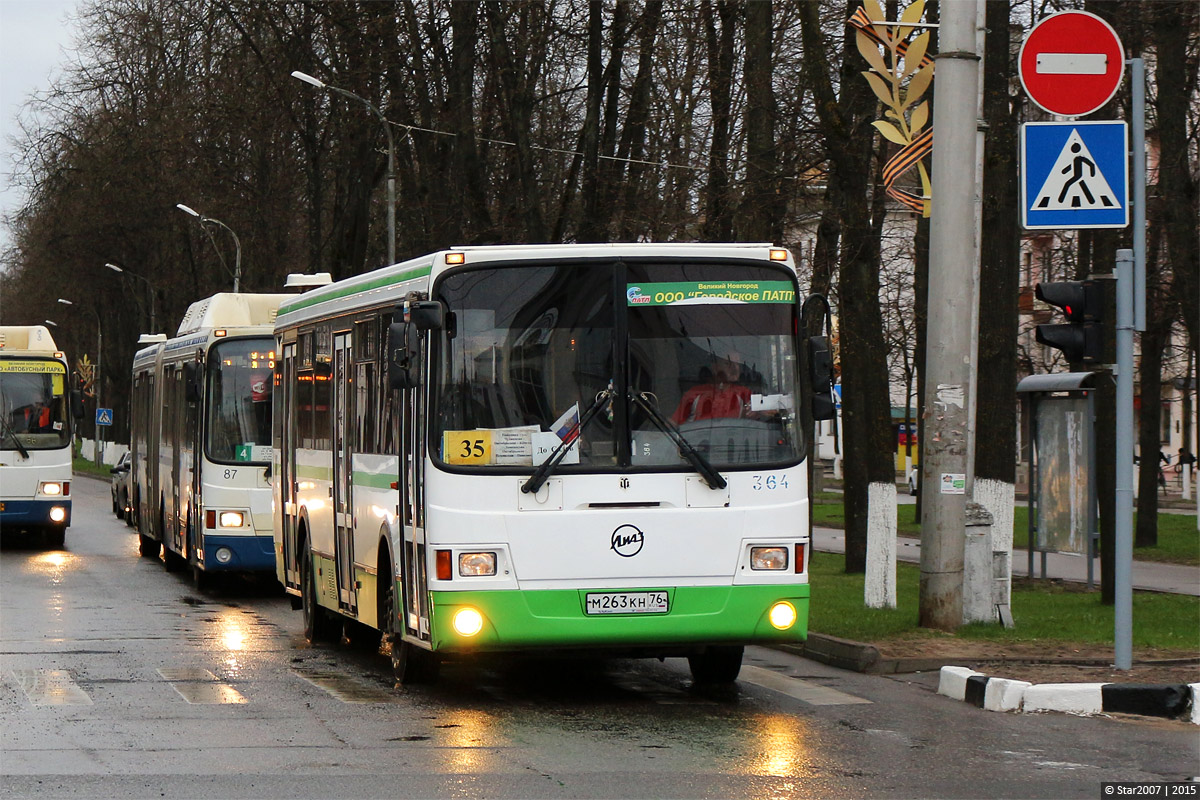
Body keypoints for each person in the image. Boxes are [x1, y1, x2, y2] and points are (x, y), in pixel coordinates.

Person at [673, 352, 751, 424]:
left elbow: (761, 413)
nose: (734, 368)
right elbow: (673, 423)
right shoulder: (695, 394)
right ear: (714, 367)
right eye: (728, 363)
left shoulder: (744, 393)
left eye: (737, 364)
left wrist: (754, 412)